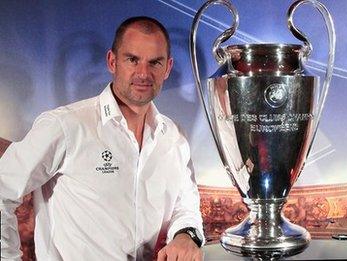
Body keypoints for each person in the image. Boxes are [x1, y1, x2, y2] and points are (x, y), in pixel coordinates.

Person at [0, 16, 204, 261]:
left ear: (168, 68)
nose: (143, 73)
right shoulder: (65, 125)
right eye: (132, 59)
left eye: (155, 63)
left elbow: (186, 204)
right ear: (112, 61)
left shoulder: (174, 137)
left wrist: (185, 235)